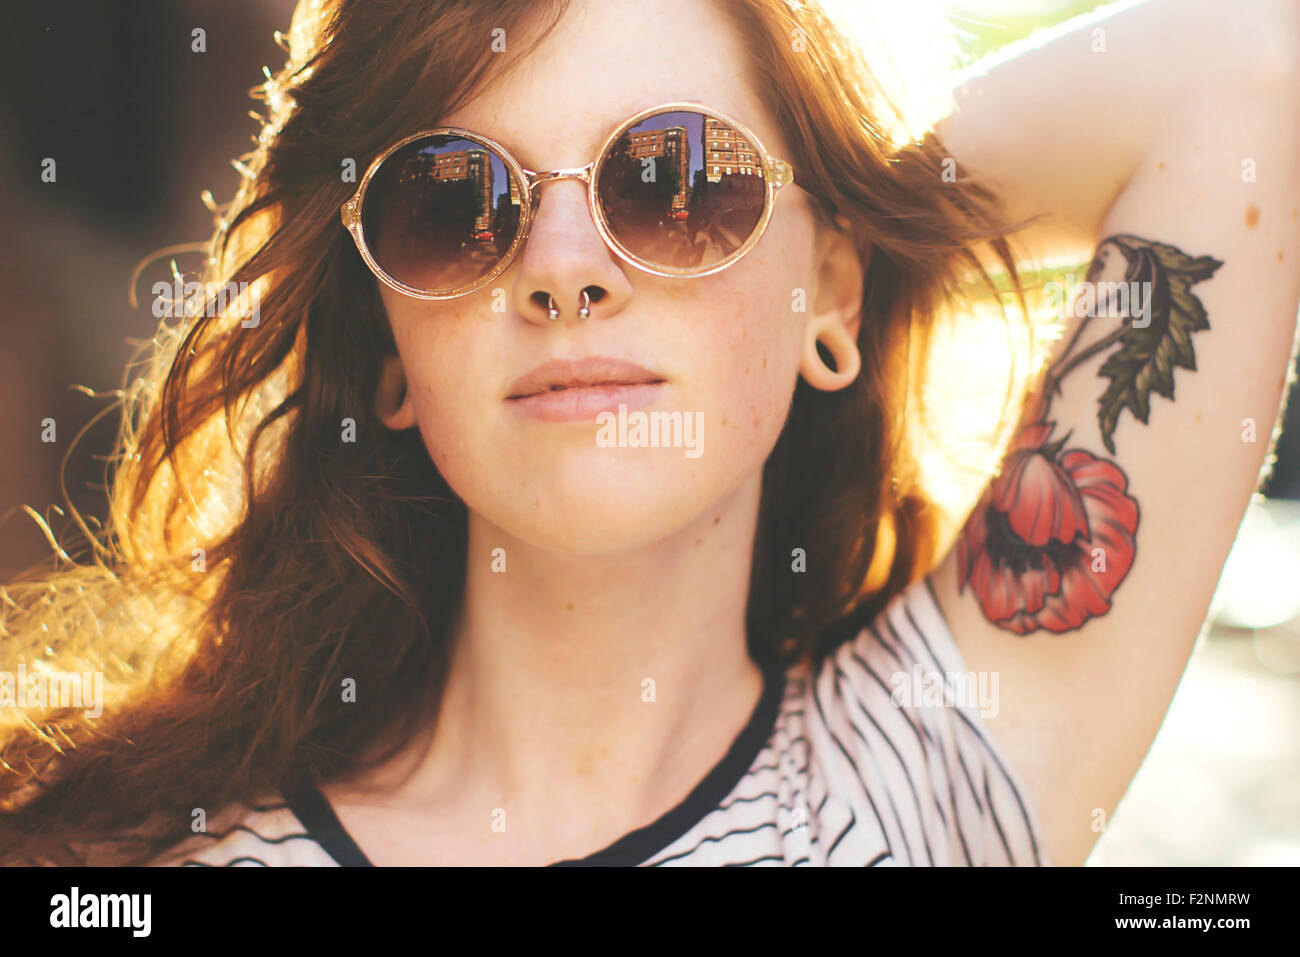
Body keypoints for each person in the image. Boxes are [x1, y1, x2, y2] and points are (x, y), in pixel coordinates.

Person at [1, 0, 1296, 867]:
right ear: (391, 352)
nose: (565, 272)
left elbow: (1247, 67)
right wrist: (769, 222)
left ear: (832, 301)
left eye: (678, 181)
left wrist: (828, 196)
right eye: (455, 205)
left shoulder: (929, 780)